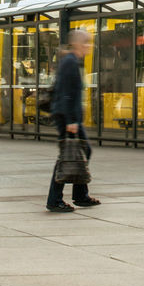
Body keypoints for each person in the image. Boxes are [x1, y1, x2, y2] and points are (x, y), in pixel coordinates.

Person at [43, 30, 100, 213]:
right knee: (67, 156)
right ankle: (55, 200)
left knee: (79, 152)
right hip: (66, 117)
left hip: (68, 116)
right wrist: (71, 120)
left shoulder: (72, 61)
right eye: (87, 42)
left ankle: (80, 195)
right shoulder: (70, 62)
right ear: (78, 44)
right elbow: (67, 93)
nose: (90, 46)